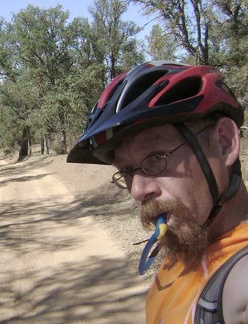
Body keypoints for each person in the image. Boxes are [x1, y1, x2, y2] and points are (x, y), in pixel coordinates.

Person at [67, 61, 248, 323]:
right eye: (127, 171)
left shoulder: (240, 279)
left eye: (156, 157)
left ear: (224, 143)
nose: (138, 190)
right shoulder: (191, 241)